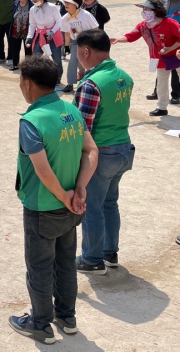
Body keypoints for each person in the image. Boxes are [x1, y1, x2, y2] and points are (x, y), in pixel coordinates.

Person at [9, 55, 98, 345]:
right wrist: (80, 190)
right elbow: (91, 151)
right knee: (64, 262)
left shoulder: (31, 120)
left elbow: (42, 170)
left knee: (39, 266)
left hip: (42, 207)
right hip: (71, 208)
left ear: (28, 83)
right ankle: (67, 317)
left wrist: (65, 195)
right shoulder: (71, 110)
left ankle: (40, 323)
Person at [69, 29, 134, 275]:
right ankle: (109, 252)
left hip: (101, 152)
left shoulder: (91, 84)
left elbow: (84, 128)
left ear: (86, 51)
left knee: (92, 206)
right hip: (123, 149)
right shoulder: (124, 77)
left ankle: (92, 259)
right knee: (110, 203)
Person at [111, 0, 180, 117]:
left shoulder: (170, 23)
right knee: (161, 83)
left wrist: (171, 48)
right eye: (143, 9)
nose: (144, 12)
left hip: (177, 56)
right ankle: (162, 107)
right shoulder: (143, 25)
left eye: (147, 9)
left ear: (155, 11)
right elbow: (131, 36)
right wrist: (118, 39)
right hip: (160, 59)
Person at [148, 0, 180, 105]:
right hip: (162, 37)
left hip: (177, 37)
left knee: (175, 66)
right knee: (161, 66)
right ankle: (157, 92)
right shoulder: (164, 0)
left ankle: (176, 94)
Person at [58, 0, 99, 93]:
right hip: (75, 41)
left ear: (75, 4)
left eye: (69, 3)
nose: (66, 5)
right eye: (65, 3)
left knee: (91, 62)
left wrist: (94, 42)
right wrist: (66, 46)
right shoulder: (64, 19)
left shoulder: (86, 14)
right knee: (72, 61)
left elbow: (95, 28)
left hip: (89, 40)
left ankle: (94, 82)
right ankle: (70, 83)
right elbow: (67, 33)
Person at [26, 0, 64, 85]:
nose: (34, 0)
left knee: (57, 59)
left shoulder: (52, 7)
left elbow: (59, 21)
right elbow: (32, 24)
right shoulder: (32, 9)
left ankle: (58, 77)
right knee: (36, 57)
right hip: (40, 35)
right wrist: (29, 37)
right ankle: (37, 77)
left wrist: (52, 31)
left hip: (53, 35)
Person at [9, 0, 33, 72]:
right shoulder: (15, 3)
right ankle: (15, 64)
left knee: (28, 49)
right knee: (15, 48)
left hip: (27, 30)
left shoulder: (32, 4)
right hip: (16, 29)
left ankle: (28, 66)